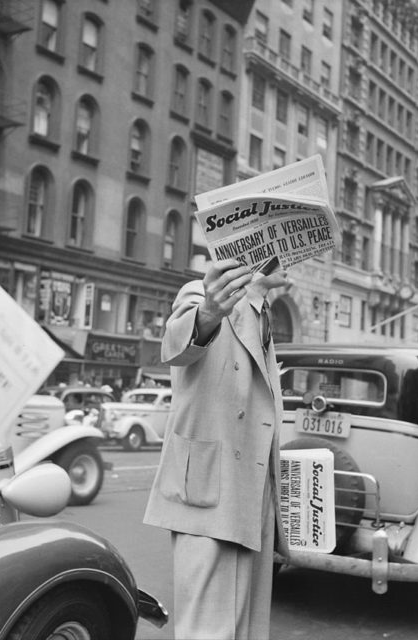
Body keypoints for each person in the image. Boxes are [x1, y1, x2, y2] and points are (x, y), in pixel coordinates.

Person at [143, 258, 290, 640]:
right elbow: (175, 347)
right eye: (282, 253)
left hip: (251, 496)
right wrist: (209, 310)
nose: (290, 263)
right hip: (209, 494)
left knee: (245, 630)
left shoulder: (263, 312)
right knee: (208, 632)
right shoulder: (203, 293)